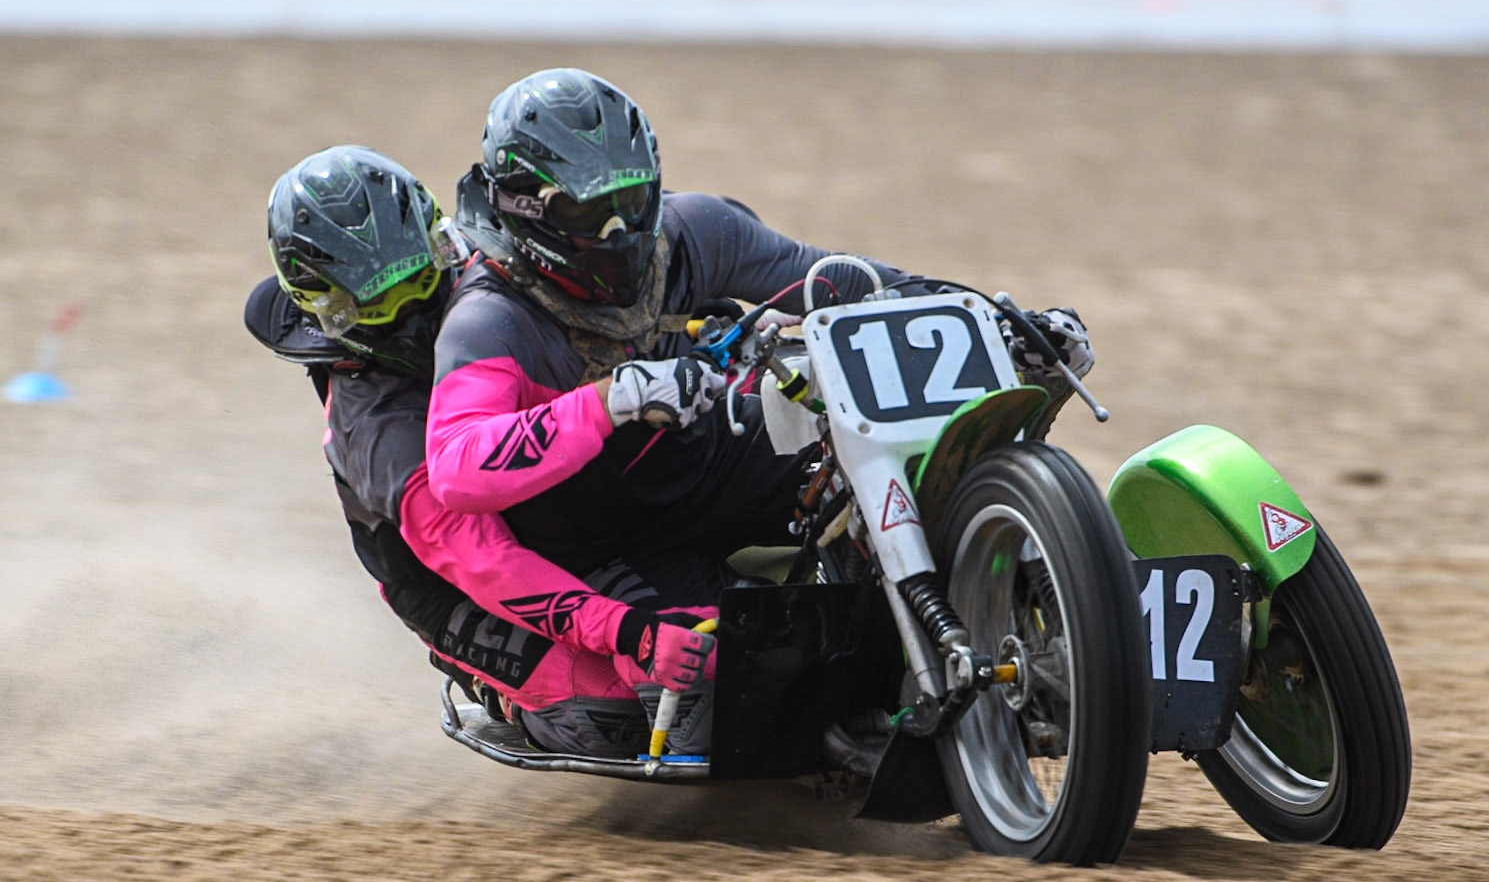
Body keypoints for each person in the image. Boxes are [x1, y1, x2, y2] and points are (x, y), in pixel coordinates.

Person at [409, 68, 1097, 752]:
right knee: (717, 702)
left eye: (634, 198)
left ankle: (1014, 598)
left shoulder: (692, 231)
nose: (621, 230)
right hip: (605, 537)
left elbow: (836, 281)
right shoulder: (488, 320)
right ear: (528, 209)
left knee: (882, 455)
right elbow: (458, 469)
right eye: (592, 212)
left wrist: (994, 321)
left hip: (714, 461)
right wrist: (612, 399)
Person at [248, 145, 711, 759]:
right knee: (619, 714)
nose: (417, 316)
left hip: (565, 511)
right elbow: (485, 562)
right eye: (380, 306)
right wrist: (630, 633)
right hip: (457, 579)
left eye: (420, 279)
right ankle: (510, 698)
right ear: (328, 306)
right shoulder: (380, 430)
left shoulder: (492, 264)